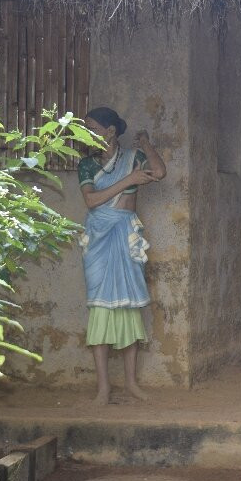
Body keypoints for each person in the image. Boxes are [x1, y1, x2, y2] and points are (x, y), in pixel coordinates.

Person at [78, 107, 166, 406]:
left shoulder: (133, 158)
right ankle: (103, 388)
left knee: (129, 310)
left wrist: (147, 145)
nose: (87, 134)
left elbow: (160, 172)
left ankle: (130, 383)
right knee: (100, 312)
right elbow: (92, 200)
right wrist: (129, 180)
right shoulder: (87, 165)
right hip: (99, 239)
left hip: (125, 234)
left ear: (111, 131)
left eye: (92, 128)